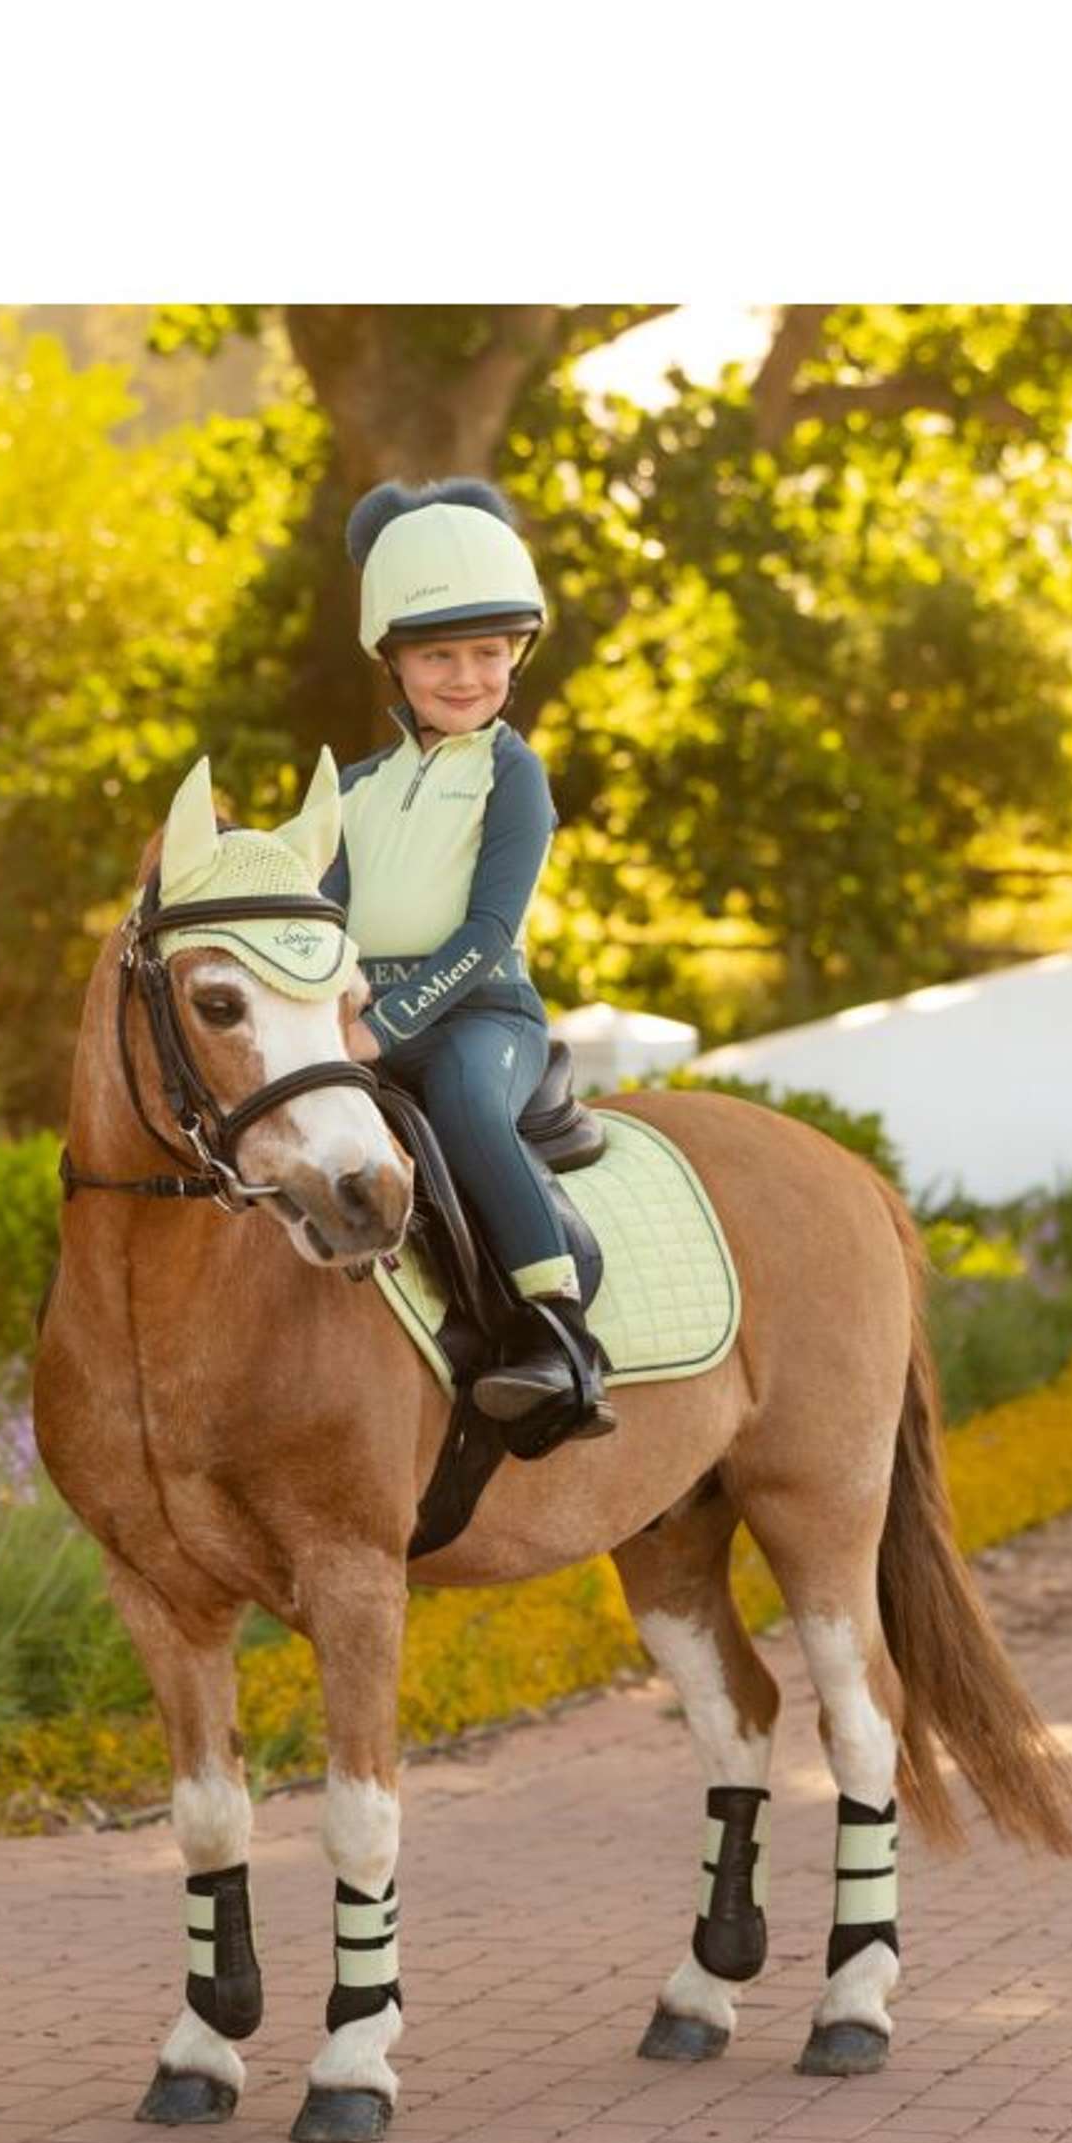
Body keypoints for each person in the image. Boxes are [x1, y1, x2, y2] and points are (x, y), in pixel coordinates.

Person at [319, 476, 613, 1443]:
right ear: (393, 660)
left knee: (464, 1098)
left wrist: (384, 1025)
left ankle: (559, 1332)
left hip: (484, 1012)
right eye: (438, 654)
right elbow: (325, 916)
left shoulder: (511, 773)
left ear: (515, 655)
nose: (465, 676)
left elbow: (489, 931)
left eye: (489, 652)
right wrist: (331, 1009)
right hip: (362, 1017)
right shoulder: (353, 788)